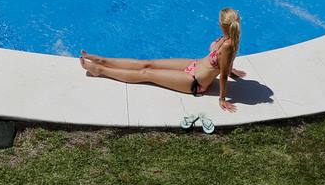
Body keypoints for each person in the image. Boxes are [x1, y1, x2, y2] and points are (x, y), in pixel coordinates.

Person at [80, 7, 245, 112]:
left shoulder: (228, 45)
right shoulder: (226, 38)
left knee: (147, 73)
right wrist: (232, 68)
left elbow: (222, 74)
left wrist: (222, 98)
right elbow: (225, 62)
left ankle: (99, 70)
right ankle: (102, 60)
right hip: (194, 64)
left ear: (223, 24)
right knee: (146, 63)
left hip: (195, 81)